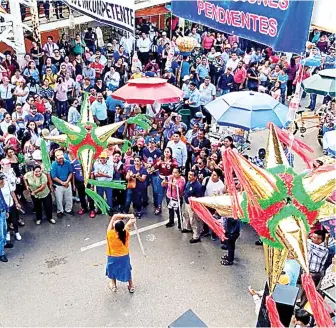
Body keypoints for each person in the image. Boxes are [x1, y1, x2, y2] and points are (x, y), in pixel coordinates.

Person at [106, 213, 136, 293]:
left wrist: (128, 215)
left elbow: (115, 216)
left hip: (112, 256)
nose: (114, 221)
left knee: (112, 269)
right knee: (127, 269)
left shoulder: (110, 233)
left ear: (115, 228)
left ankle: (114, 285)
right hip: (124, 256)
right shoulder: (125, 232)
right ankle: (131, 286)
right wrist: (132, 218)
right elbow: (131, 222)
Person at [182, 170, 204, 243]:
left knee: (193, 220)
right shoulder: (188, 182)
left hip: (192, 206)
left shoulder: (198, 186)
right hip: (187, 203)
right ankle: (188, 228)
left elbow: (198, 198)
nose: (189, 176)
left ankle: (196, 236)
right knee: (186, 217)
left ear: (195, 177)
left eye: (191, 175)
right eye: (188, 174)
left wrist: (194, 206)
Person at [50, 150, 73, 218]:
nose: (61, 159)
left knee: (68, 198)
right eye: (59, 158)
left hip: (67, 183)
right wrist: (62, 183)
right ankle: (60, 211)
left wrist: (67, 181)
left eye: (62, 158)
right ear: (56, 158)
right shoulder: (53, 164)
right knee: (59, 199)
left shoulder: (67, 162)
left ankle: (68, 209)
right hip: (58, 185)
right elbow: (54, 177)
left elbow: (71, 172)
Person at [0, 172, 12, 263]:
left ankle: (3, 244)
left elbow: (2, 200)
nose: (3, 181)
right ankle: (1, 253)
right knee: (1, 235)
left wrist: (6, 210)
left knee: (4, 229)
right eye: (2, 180)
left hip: (2, 212)